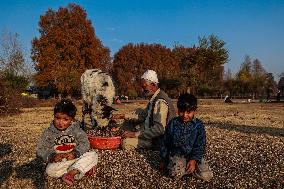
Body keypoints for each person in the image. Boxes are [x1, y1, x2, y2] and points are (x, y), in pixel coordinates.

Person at [36, 99, 98, 185]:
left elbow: (85, 143)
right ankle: (79, 169)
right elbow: (40, 149)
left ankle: (71, 173)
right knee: (49, 171)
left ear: (71, 120)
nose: (60, 122)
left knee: (93, 155)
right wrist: (51, 156)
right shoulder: (48, 133)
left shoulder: (77, 130)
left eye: (65, 119)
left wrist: (75, 153)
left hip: (75, 157)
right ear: (54, 116)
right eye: (57, 118)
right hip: (60, 161)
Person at [160, 93, 213, 181]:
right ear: (178, 110)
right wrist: (163, 159)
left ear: (195, 111)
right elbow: (166, 142)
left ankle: (191, 167)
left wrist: (194, 160)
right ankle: (180, 167)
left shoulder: (199, 125)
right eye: (181, 111)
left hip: (194, 156)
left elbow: (200, 145)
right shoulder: (173, 123)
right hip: (178, 155)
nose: (184, 115)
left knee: (206, 176)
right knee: (175, 174)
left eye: (188, 112)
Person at [121, 70, 176, 150]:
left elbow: (159, 129)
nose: (142, 90)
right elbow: (143, 115)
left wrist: (135, 134)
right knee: (128, 121)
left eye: (144, 87)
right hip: (150, 133)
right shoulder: (154, 98)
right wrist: (122, 116)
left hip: (159, 140)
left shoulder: (160, 101)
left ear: (153, 85)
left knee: (125, 143)